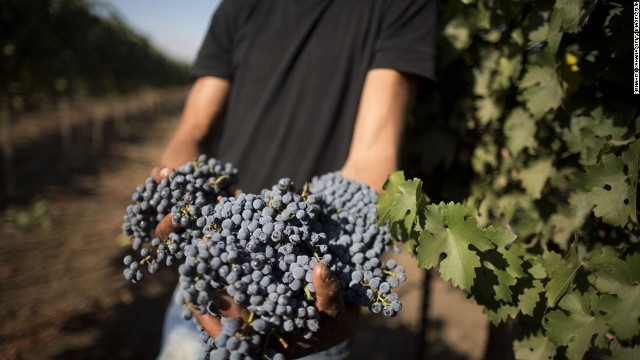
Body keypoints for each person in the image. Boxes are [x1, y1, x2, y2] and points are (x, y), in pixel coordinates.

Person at [151, 0, 436, 358]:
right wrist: (180, 183)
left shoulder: (398, 5)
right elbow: (193, 129)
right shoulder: (238, 8)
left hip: (303, 300)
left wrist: (343, 269)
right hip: (213, 268)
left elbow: (374, 152)